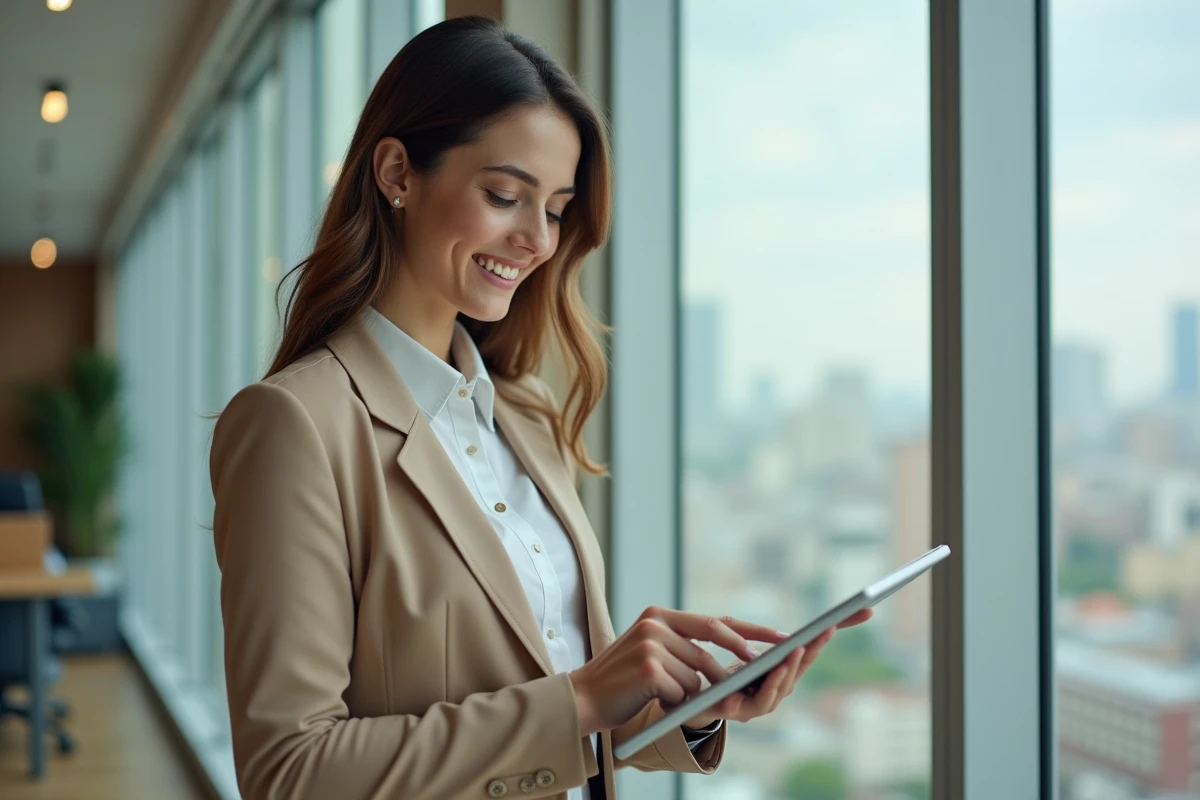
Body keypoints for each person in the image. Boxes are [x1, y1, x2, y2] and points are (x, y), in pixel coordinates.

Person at [209, 15, 870, 800]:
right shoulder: (296, 426)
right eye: (504, 196)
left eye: (555, 209)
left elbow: (556, 722)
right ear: (396, 172)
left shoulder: (524, 416)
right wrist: (584, 696)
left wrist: (683, 706)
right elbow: (288, 772)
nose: (537, 240)